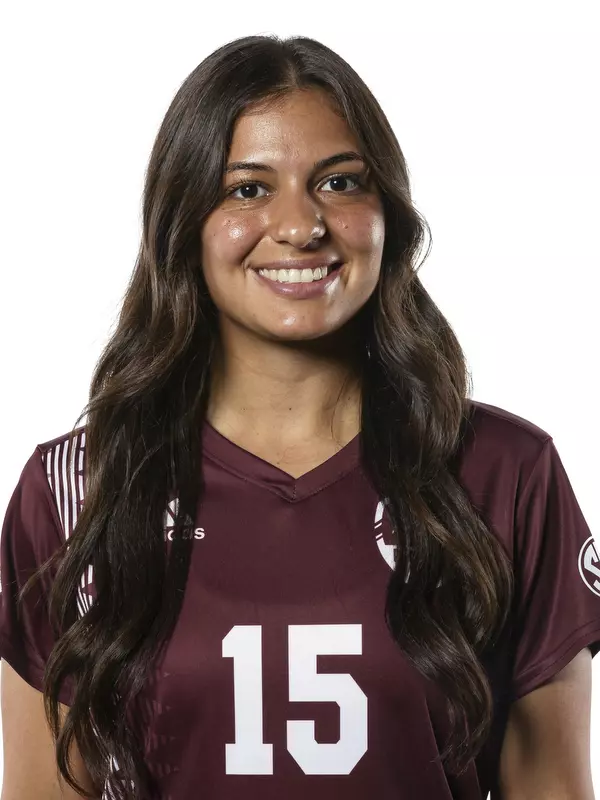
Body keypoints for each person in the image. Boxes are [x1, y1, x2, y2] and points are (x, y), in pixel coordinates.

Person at [0, 33, 598, 800]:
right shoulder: (76, 489)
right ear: (184, 221)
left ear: (389, 215)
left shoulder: (503, 472)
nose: (300, 224)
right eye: (247, 189)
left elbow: (552, 785)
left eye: (341, 182)